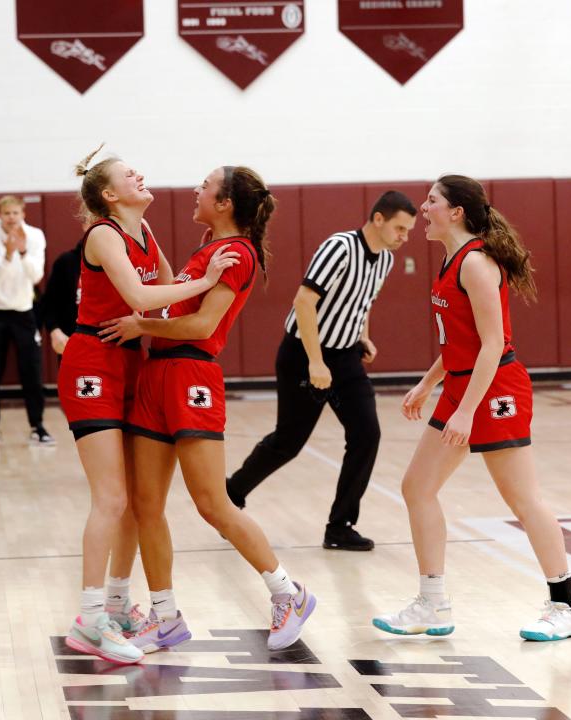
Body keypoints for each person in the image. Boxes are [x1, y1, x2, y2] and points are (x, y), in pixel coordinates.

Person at [100, 165, 317, 654]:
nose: (197, 189)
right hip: (159, 376)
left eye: (206, 186)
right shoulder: (206, 249)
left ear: (225, 204)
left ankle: (289, 592)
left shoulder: (235, 252)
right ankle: (166, 616)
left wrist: (143, 326)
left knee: (212, 503)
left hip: (191, 377)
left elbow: (201, 327)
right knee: (145, 505)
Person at [371, 174, 571, 642]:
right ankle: (432, 603)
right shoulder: (450, 258)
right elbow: (460, 340)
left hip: (495, 389)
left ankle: (568, 604)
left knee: (522, 498)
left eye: (431, 201)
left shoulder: (475, 263)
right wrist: (427, 384)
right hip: (461, 384)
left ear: (456, 212)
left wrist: (467, 410)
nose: (423, 207)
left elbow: (493, 345)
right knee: (417, 487)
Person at [58, 146, 240, 665]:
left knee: (139, 499)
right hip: (92, 364)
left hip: (130, 363)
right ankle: (90, 620)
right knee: (111, 499)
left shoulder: (146, 233)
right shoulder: (102, 234)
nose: (140, 173)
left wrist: (214, 285)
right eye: (128, 173)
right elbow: (141, 297)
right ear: (110, 195)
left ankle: (116, 605)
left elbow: (169, 295)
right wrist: (212, 280)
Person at [226, 191, 417, 551]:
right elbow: (304, 301)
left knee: (366, 435)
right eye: (400, 228)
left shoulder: (385, 260)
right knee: (288, 443)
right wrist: (316, 361)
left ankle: (340, 526)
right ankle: (231, 493)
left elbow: (363, 301)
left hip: (346, 359)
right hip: (303, 354)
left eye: (408, 230)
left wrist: (363, 336)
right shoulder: (340, 247)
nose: (404, 236)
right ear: (379, 219)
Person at [0, 195, 53, 447]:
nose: (11, 218)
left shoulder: (35, 236)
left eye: (15, 213)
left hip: (23, 310)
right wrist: (8, 255)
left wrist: (21, 251)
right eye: (6, 213)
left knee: (31, 369)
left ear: (23, 214)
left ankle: (37, 426)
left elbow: (35, 275)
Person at [41, 239, 81, 361]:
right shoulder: (67, 261)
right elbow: (49, 302)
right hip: (71, 341)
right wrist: (54, 330)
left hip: (108, 345)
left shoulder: (119, 260)